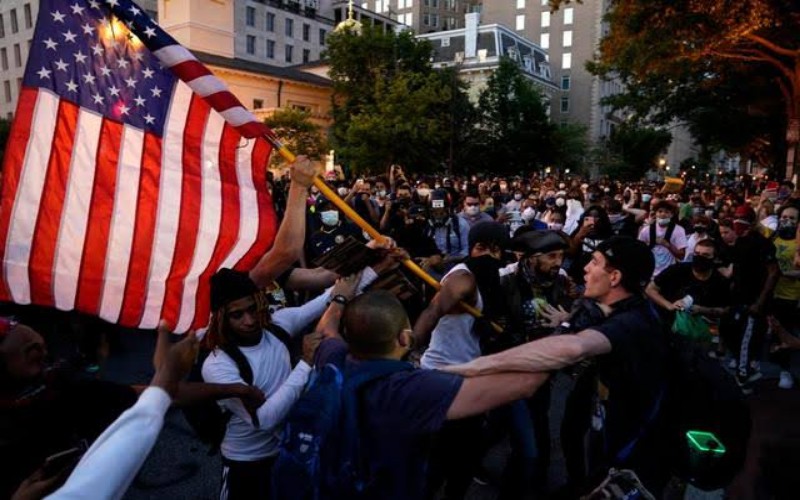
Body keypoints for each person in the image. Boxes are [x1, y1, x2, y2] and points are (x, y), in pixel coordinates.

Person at [445, 237, 670, 495]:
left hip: (636, 455)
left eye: (595, 262)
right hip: (603, 430)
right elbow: (541, 366)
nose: (584, 267)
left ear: (615, 277)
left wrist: (475, 367)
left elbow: (572, 348)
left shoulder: (634, 322)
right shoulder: (597, 306)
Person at [310, 290, 549, 500]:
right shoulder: (414, 389)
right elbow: (525, 383)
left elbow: (326, 329)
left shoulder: (333, 356)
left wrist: (339, 298)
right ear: (404, 338)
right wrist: (572, 328)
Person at [200, 268, 364, 499]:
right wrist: (306, 363)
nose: (249, 320)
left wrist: (376, 259)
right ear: (221, 319)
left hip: (290, 453)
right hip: (246, 465)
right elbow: (265, 419)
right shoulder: (218, 364)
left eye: (252, 309)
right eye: (237, 315)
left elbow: (330, 296)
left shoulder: (278, 325)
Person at [34, 325, 201, 500]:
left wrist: (230, 389)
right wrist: (167, 374)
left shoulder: (77, 393)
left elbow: (147, 396)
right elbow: (88, 490)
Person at [412, 221, 510, 499]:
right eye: (497, 251)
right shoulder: (463, 279)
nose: (501, 259)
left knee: (463, 461)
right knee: (438, 461)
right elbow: (434, 310)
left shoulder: (488, 276)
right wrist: (410, 344)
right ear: (482, 248)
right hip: (444, 377)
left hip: (472, 377)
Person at [718, 206, 779, 387]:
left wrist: (759, 302)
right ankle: (742, 366)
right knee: (734, 333)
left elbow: (774, 273)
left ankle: (743, 376)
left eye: (742, 218)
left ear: (751, 221)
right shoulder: (738, 242)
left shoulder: (763, 243)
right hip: (738, 298)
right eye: (736, 217)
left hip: (754, 300)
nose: (738, 221)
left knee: (747, 336)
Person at [646, 238, 731, 323]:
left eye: (705, 255)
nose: (700, 257)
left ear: (715, 259)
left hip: (699, 329)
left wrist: (702, 310)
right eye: (697, 253)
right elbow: (650, 289)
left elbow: (725, 310)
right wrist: (670, 306)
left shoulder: (720, 280)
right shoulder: (677, 270)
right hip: (669, 323)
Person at [769, 203, 800, 389]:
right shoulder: (773, 237)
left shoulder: (798, 244)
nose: (786, 220)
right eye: (784, 217)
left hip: (790, 296)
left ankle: (785, 371)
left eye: (792, 218)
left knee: (785, 333)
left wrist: (783, 273)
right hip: (771, 292)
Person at [638, 200, 687, 277]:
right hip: (650, 272)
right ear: (656, 213)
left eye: (667, 212)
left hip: (669, 272)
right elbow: (639, 251)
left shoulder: (679, 230)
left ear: (672, 214)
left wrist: (668, 245)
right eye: (660, 211)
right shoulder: (646, 230)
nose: (663, 214)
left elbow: (681, 256)